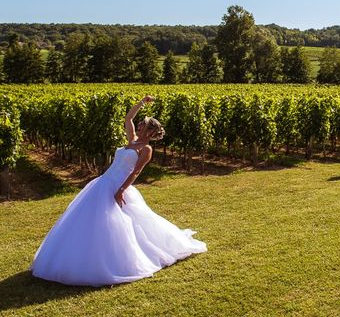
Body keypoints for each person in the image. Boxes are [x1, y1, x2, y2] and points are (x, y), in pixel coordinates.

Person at [30, 96, 207, 286]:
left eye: (142, 126)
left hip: (119, 185)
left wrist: (122, 189)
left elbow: (136, 171)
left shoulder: (146, 149)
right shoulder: (131, 141)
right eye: (139, 125)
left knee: (125, 222)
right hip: (103, 182)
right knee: (91, 219)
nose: (138, 127)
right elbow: (128, 119)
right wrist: (142, 103)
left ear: (150, 131)